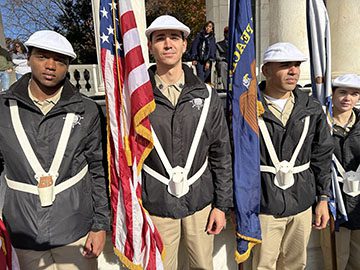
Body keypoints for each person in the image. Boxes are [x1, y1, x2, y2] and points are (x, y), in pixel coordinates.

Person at [0, 30, 110, 270]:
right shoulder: (3, 108)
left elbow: (98, 169)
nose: (50, 66)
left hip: (76, 230)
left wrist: (100, 225)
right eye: (42, 57)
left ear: (68, 65)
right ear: (28, 58)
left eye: (59, 60)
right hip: (23, 232)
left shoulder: (87, 110)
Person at [143, 15, 233, 269]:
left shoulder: (206, 95)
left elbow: (220, 151)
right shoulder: (137, 96)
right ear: (150, 46)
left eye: (174, 38)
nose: (168, 44)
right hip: (156, 204)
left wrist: (221, 205)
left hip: (199, 203)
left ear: (185, 45)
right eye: (160, 39)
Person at [252, 42, 333, 270]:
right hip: (264, 204)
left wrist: (323, 198)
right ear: (266, 70)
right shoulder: (247, 107)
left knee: (296, 264)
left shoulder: (311, 107)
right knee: (262, 265)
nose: (293, 71)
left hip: (301, 202)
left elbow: (322, 156)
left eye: (296, 65)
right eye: (285, 65)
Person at [329, 74, 360, 270]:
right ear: (332, 95)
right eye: (342, 92)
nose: (347, 98)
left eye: (354, 94)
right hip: (335, 199)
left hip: (358, 201)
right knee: (336, 259)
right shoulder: (321, 123)